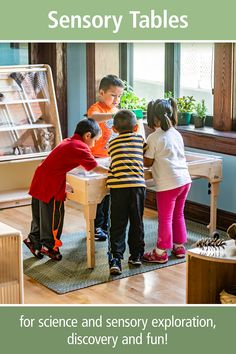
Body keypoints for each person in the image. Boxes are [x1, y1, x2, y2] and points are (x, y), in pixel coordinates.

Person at [23, 118, 108, 261]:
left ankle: (34, 239)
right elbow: (94, 167)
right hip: (51, 185)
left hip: (40, 180)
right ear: (87, 135)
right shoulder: (80, 147)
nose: (94, 144)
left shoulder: (68, 142)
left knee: (40, 215)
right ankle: (50, 246)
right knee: (53, 217)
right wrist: (112, 171)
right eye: (95, 140)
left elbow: (66, 163)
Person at [142, 98, 192, 264]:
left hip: (168, 184)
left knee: (165, 218)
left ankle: (161, 252)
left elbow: (148, 162)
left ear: (153, 118)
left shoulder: (153, 137)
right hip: (184, 180)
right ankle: (179, 247)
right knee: (178, 214)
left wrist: (141, 152)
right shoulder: (176, 133)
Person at [107, 109, 146, 275]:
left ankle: (116, 258)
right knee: (137, 221)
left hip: (118, 187)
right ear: (136, 127)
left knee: (117, 223)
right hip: (137, 186)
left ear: (114, 129)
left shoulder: (112, 143)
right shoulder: (140, 139)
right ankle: (136, 255)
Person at [87, 74, 124, 241]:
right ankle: (96, 227)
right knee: (98, 194)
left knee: (108, 193)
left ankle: (104, 226)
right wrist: (114, 116)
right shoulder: (96, 108)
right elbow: (93, 118)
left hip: (111, 156)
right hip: (96, 157)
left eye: (119, 96)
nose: (116, 99)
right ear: (102, 93)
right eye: (113, 95)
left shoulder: (115, 110)